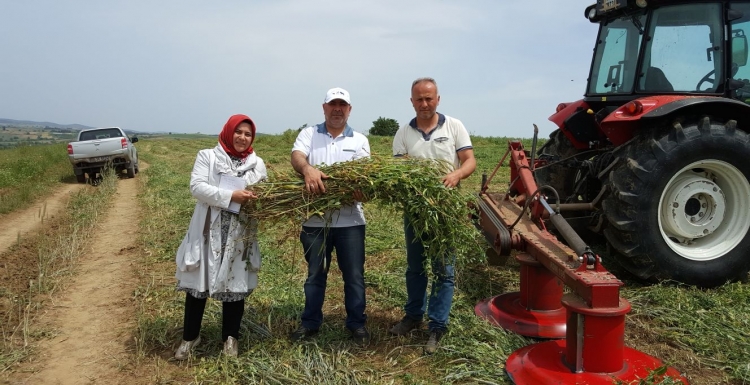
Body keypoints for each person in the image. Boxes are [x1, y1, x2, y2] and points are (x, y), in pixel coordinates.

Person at [390, 77, 477, 354]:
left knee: (443, 270)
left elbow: (470, 160)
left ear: (438, 99)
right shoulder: (403, 132)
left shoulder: (454, 126)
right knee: (415, 267)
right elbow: (399, 171)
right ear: (412, 101)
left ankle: (437, 325)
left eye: (429, 98)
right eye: (419, 99)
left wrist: (457, 174)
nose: (424, 104)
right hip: (415, 211)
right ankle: (414, 315)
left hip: (445, 210)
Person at [173, 114, 267, 360]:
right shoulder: (208, 156)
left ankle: (230, 338)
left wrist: (259, 201)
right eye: (238, 132)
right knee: (197, 288)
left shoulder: (257, 164)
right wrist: (230, 196)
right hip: (207, 229)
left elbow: (264, 194)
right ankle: (190, 337)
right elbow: (197, 187)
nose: (242, 138)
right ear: (228, 131)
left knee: (235, 286)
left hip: (239, 232)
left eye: (248, 134)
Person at [289, 87, 371, 346]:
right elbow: (297, 156)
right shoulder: (309, 134)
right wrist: (308, 170)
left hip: (351, 223)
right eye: (332, 104)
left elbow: (366, 178)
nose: (337, 109)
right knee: (315, 275)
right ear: (324, 107)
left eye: (342, 105)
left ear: (349, 109)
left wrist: (361, 190)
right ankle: (310, 323)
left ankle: (357, 324)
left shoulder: (359, 140)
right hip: (314, 222)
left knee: (354, 276)